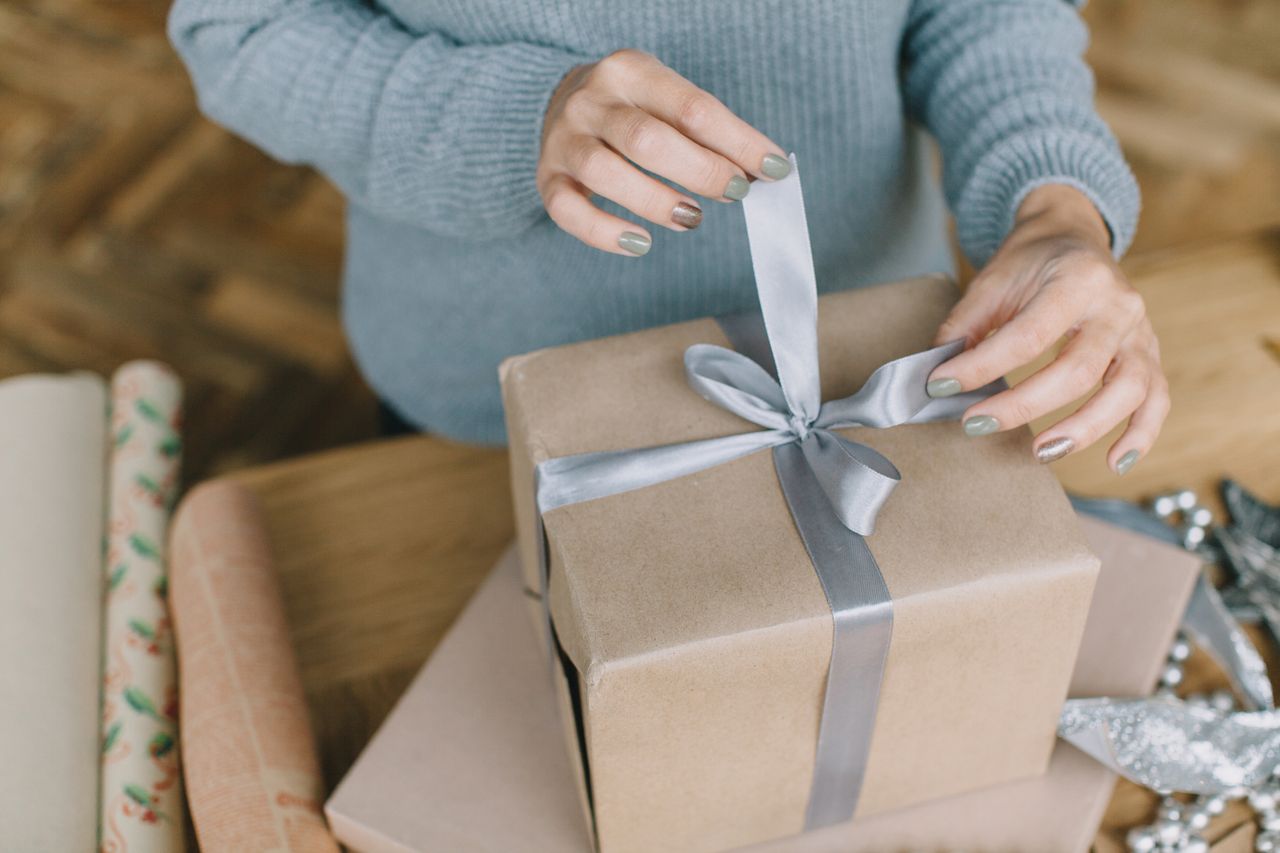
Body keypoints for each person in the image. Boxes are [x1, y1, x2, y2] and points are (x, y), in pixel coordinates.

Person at [169, 0, 1167, 474]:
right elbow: (239, 27)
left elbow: (987, 13)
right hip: (495, 396)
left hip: (869, 368)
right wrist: (516, 117)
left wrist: (1053, 206)